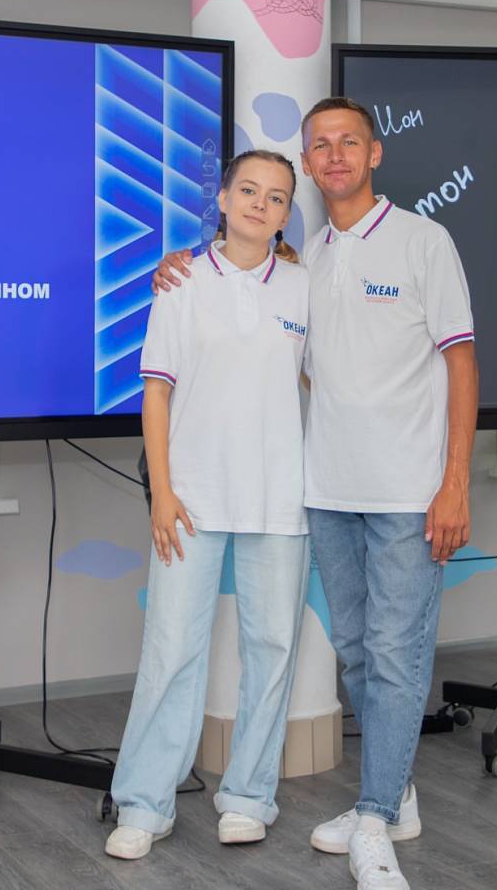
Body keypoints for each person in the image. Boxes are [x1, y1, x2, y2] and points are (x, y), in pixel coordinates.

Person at [154, 97, 478, 890]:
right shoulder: (310, 262)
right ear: (309, 163)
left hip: (409, 492)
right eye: (320, 145)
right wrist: (181, 265)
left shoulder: (424, 241)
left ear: (374, 153)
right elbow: (271, 333)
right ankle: (397, 797)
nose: (334, 155)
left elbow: (462, 364)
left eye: (348, 142)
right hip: (326, 491)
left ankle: (373, 820)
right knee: (359, 652)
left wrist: (454, 482)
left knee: (396, 654)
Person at [105, 150, 313, 861]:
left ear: (286, 214)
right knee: (171, 650)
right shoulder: (181, 281)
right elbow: (156, 391)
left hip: (281, 499)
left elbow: (320, 382)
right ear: (222, 199)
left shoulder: (303, 288)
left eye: (276, 197)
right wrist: (163, 492)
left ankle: (250, 797)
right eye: (248, 190)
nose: (260, 203)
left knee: (273, 650)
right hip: (190, 497)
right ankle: (144, 802)